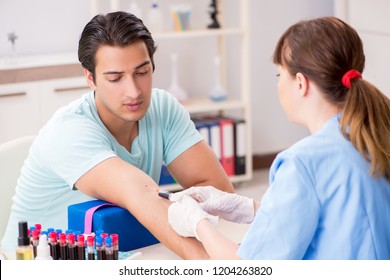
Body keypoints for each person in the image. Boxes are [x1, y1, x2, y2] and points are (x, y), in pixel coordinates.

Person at [1, 11, 234, 259]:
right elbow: (142, 197)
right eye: (115, 78)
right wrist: (218, 265)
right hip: (36, 262)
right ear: (90, 78)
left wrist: (167, 207)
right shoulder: (69, 131)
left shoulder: (162, 107)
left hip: (117, 249)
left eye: (142, 72)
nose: (133, 92)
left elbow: (220, 194)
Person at [168, 16, 390, 259]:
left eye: (279, 75)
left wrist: (198, 223)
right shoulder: (376, 134)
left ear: (301, 83)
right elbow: (338, 218)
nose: (278, 84)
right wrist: (248, 208)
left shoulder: (302, 163)